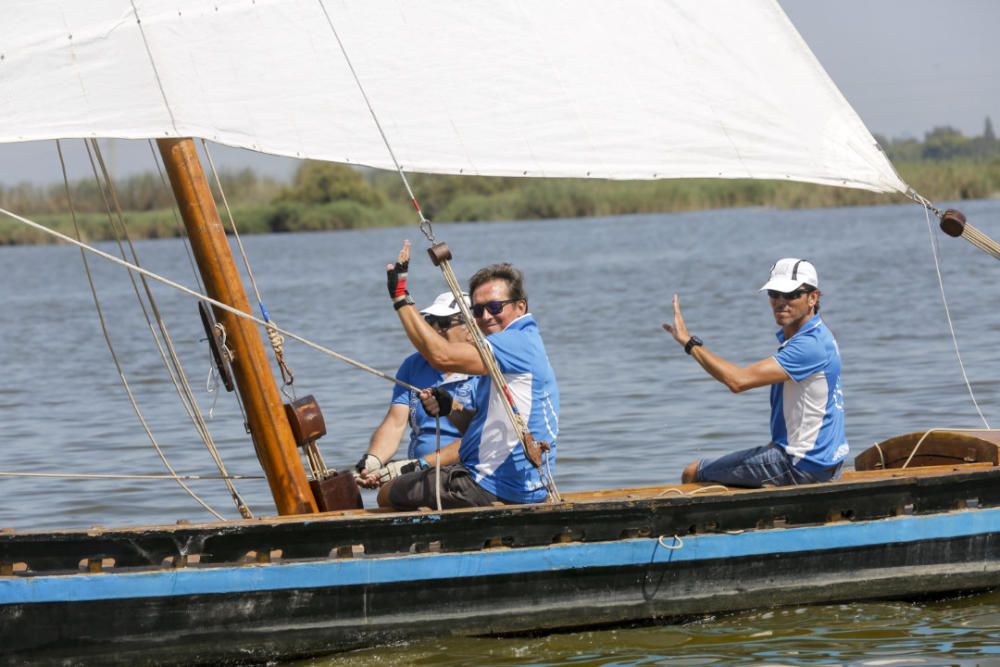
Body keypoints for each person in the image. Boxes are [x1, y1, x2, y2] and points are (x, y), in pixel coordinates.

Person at [377, 241, 559, 509]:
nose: (486, 316)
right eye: (477, 310)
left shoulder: (515, 343)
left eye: (496, 307)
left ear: (521, 307)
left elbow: (441, 355)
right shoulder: (516, 347)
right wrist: (451, 408)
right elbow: (484, 428)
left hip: (487, 485)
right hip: (519, 485)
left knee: (386, 492)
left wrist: (400, 298)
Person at [662, 258, 848, 487]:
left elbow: (737, 381)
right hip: (825, 461)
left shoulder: (809, 346)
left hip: (800, 466)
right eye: (774, 294)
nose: (781, 302)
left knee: (692, 472)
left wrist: (689, 343)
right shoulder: (820, 335)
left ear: (813, 298)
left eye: (791, 295)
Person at [355, 292, 479, 487]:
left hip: (468, 475)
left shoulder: (485, 368)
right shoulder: (413, 365)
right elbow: (395, 424)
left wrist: (417, 466)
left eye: (444, 322)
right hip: (420, 474)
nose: (435, 329)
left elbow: (481, 440)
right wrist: (373, 460)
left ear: (471, 328)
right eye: (430, 322)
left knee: (388, 495)